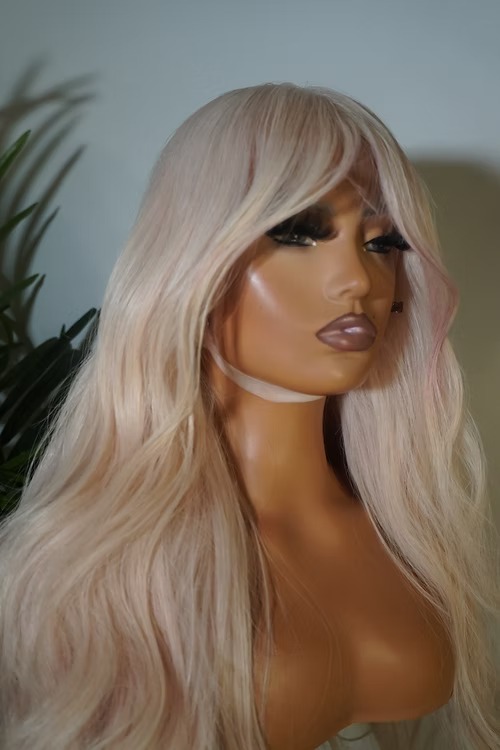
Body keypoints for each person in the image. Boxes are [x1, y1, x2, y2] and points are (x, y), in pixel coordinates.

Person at [0, 82, 498, 750]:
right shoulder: (98, 571)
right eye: (299, 233)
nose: (358, 280)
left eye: (382, 243)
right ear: (192, 267)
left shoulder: (411, 528)